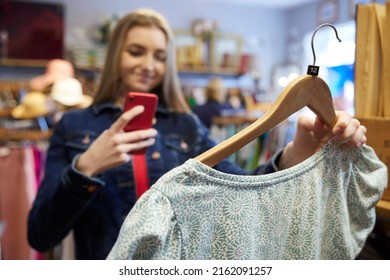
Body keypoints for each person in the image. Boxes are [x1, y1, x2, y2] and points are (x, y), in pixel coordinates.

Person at [27, 8, 367, 260]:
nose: (149, 65)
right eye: (136, 51)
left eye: (160, 56)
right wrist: (85, 168)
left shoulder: (185, 126)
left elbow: (243, 191)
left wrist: (298, 150)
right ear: (115, 54)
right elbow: (40, 235)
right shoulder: (75, 127)